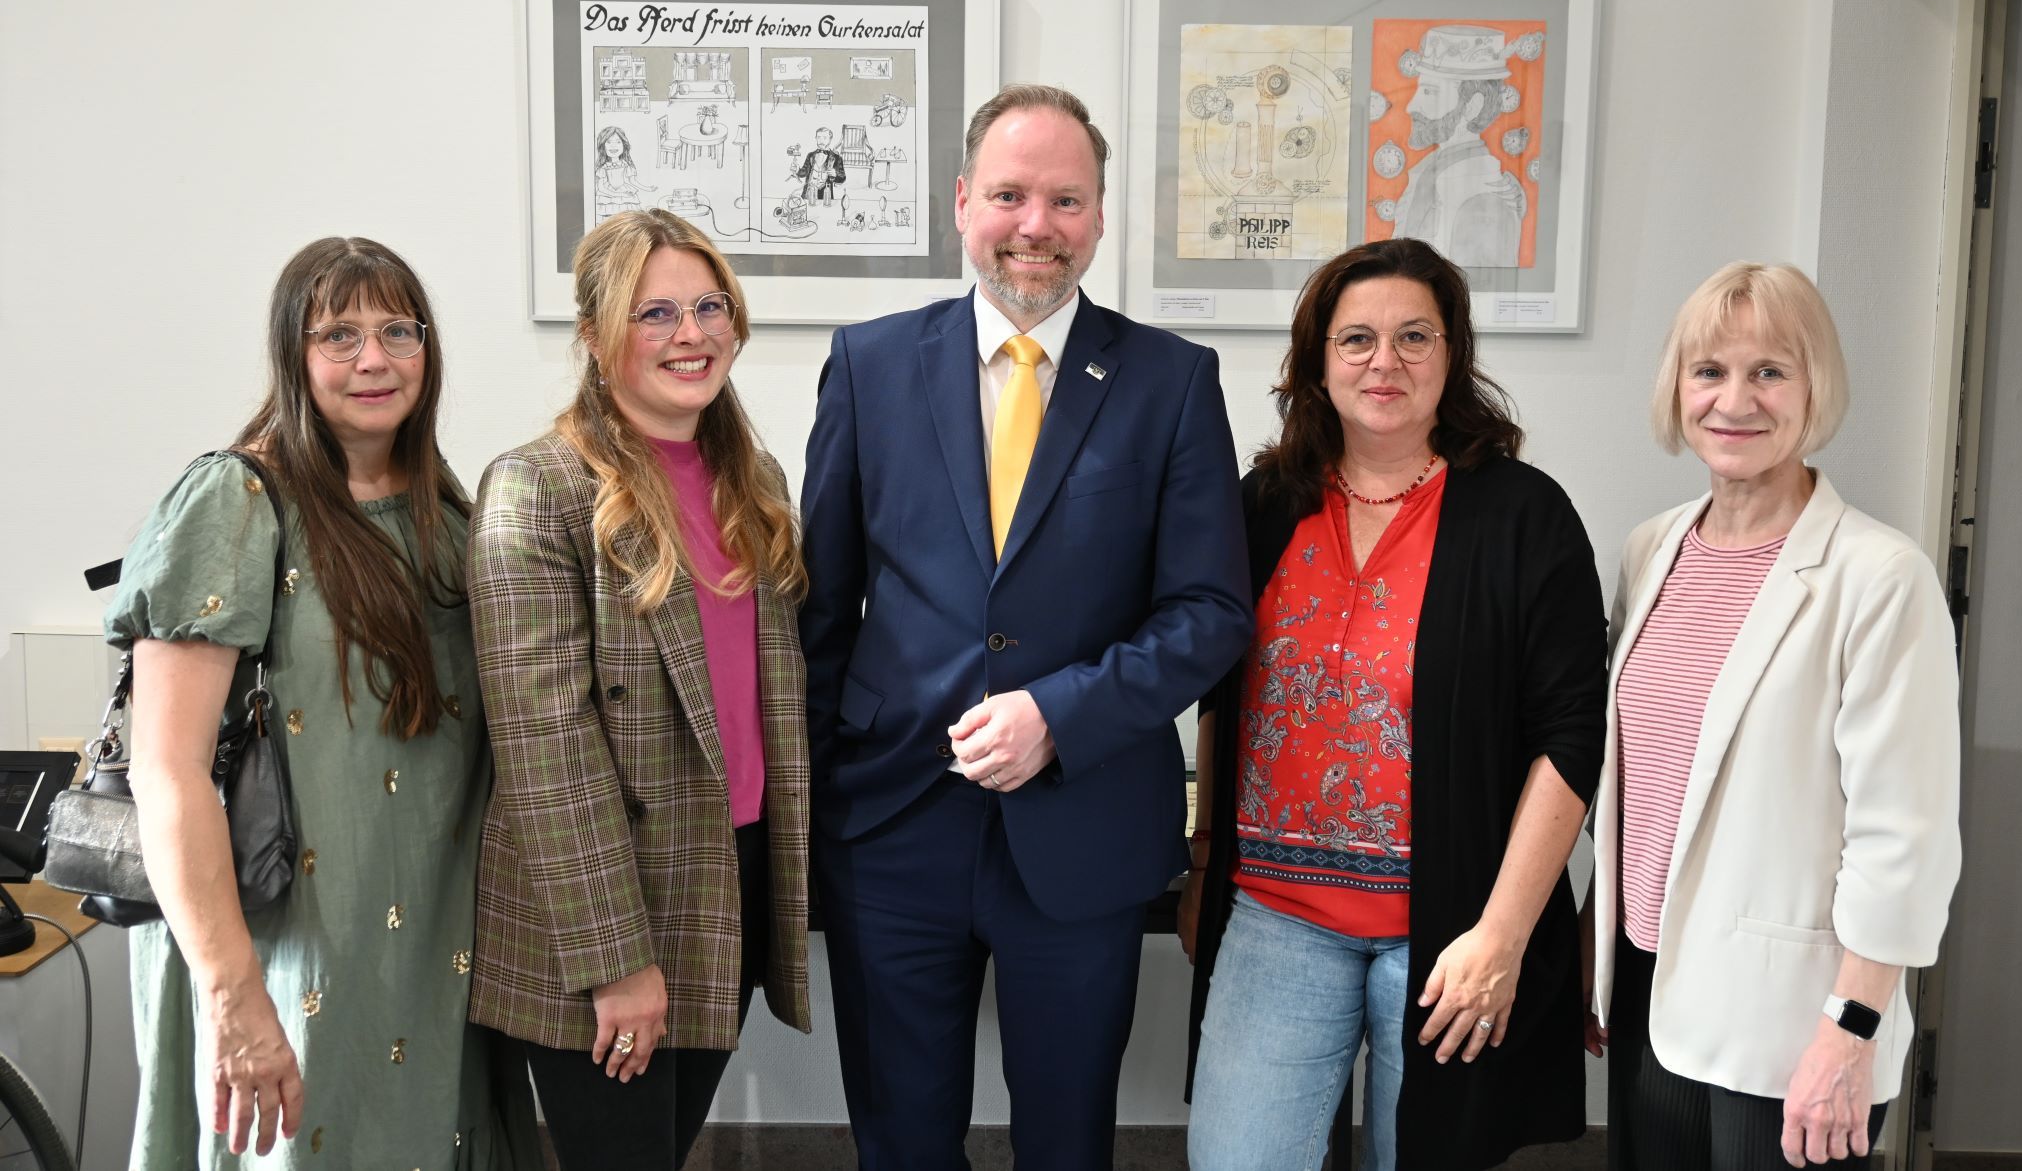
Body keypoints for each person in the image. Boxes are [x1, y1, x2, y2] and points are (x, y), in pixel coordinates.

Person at [799, 83, 1252, 1171]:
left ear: (1099, 215)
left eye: (1064, 198)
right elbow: (819, 608)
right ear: (963, 202)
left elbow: (1210, 612)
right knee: (901, 1142)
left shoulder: (1171, 381)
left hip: (1083, 820)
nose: (1035, 224)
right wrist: (810, 805)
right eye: (1009, 194)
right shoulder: (869, 363)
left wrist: (1060, 710)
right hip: (893, 820)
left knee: (1066, 1142)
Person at [109, 237, 541, 1168]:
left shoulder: (445, 507)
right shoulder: (233, 499)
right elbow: (166, 768)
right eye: (338, 333)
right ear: (291, 354)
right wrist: (232, 995)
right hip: (284, 946)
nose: (373, 358)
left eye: (397, 330)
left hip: (433, 950)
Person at [1182, 239, 1607, 1171]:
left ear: (1453, 354)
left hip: (1452, 930)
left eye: (1415, 336)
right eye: (1358, 338)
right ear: (1316, 361)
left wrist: (1503, 934)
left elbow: (1572, 739)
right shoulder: (1261, 506)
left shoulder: (1524, 516)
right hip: (1276, 915)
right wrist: (1206, 859)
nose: (1386, 361)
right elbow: (1222, 692)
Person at [1586, 262, 1961, 1170]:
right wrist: (1594, 952)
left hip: (1790, 1015)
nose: (1735, 400)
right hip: (1648, 982)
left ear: (1813, 388)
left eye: (1769, 372)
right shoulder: (1652, 547)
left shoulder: (1880, 574)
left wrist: (1852, 1028)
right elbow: (1642, 781)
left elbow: (1901, 835)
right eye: (1709, 370)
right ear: (1679, 390)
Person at [466, 209, 812, 1171]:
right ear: (594, 334)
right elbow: (546, 748)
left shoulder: (756, 482)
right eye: (653, 312)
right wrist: (616, 959)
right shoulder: (534, 488)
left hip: (726, 877)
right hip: (601, 905)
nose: (690, 333)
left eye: (709, 306)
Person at [1392, 25, 1528, 268]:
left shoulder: (1484, 197)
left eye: (1430, 92)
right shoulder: (1429, 174)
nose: (1411, 106)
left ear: (1472, 106)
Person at [795, 126, 845, 202]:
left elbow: (842, 178)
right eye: (819, 137)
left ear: (830, 139)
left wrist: (836, 175)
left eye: (824, 138)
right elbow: (804, 172)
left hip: (825, 195)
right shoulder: (810, 155)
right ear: (816, 138)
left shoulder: (837, 158)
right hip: (808, 193)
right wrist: (797, 170)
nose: (821, 140)